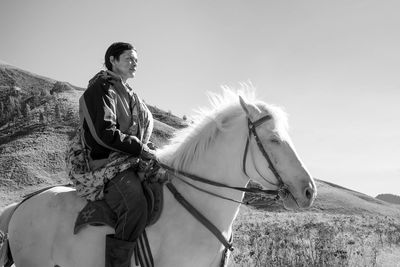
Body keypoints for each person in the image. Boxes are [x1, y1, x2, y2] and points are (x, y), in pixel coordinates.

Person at [67, 42, 156, 267]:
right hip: (106, 164)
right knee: (134, 205)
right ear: (112, 60)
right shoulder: (101, 89)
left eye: (136, 59)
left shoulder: (131, 95)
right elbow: (104, 133)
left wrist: (147, 149)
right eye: (129, 58)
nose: (134, 62)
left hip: (131, 160)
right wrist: (139, 148)